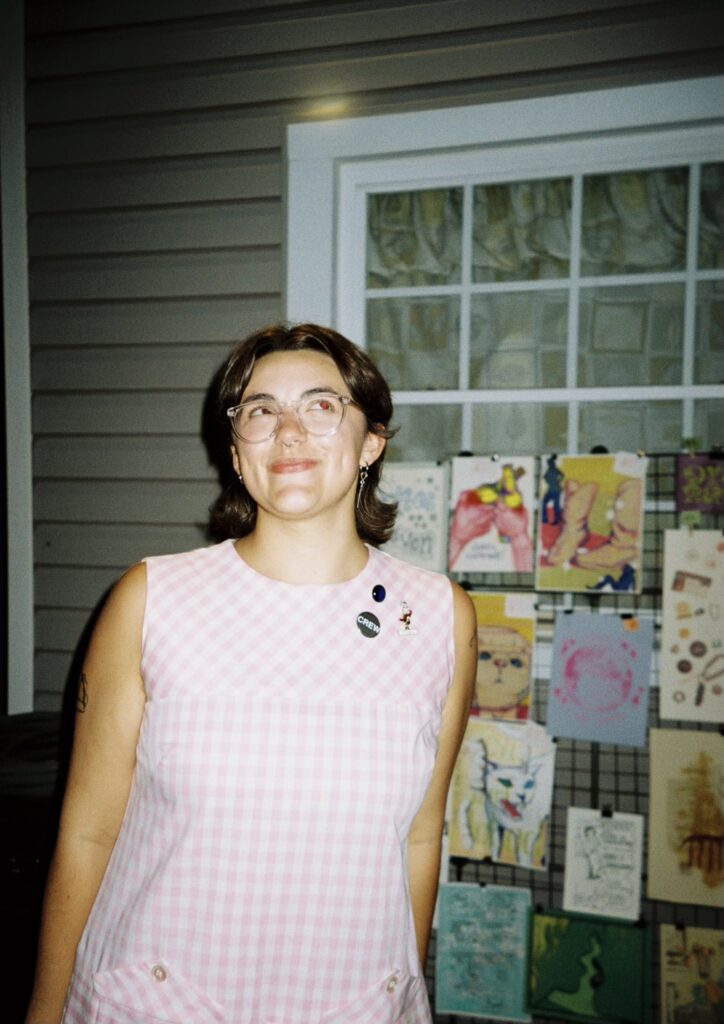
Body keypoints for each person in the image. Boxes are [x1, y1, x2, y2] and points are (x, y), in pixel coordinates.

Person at [26, 323, 476, 1024]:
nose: (288, 431)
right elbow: (86, 832)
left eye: (322, 406)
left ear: (371, 442)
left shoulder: (439, 617)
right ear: (238, 452)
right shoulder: (150, 600)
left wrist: (400, 990)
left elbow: (420, 836)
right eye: (260, 411)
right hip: (148, 1003)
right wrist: (43, 1013)